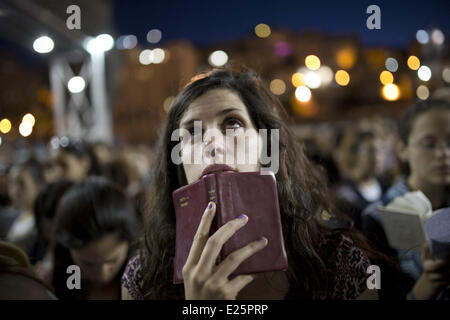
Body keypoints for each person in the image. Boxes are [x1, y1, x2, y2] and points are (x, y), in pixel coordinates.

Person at [121, 66, 380, 300]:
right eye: (192, 131)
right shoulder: (143, 280)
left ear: (264, 145)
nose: (214, 145)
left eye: (232, 123)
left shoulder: (339, 264)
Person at [362, 98, 450, 299]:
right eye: (429, 144)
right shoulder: (378, 217)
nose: (444, 153)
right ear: (402, 149)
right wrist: (430, 282)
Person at [51, 177, 140, 300]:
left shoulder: (144, 282)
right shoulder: (60, 279)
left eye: (112, 260)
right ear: (68, 248)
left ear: (129, 242)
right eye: (88, 264)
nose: (102, 274)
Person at [334, 128, 387, 230]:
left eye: (381, 150)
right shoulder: (345, 195)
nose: (378, 157)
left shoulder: (385, 185)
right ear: (355, 154)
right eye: (371, 151)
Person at [5, 158, 44, 251]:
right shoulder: (18, 215)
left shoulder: (42, 221)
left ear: (38, 185)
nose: (14, 191)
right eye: (11, 183)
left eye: (21, 183)